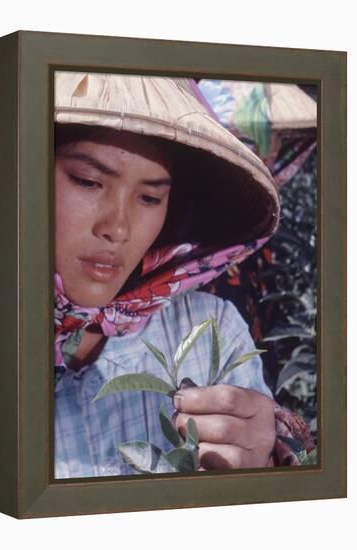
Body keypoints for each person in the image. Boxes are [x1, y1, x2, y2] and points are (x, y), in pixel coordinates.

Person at [53, 72, 313, 479]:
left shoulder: (209, 329)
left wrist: (263, 460)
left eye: (151, 197)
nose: (118, 228)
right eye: (88, 181)